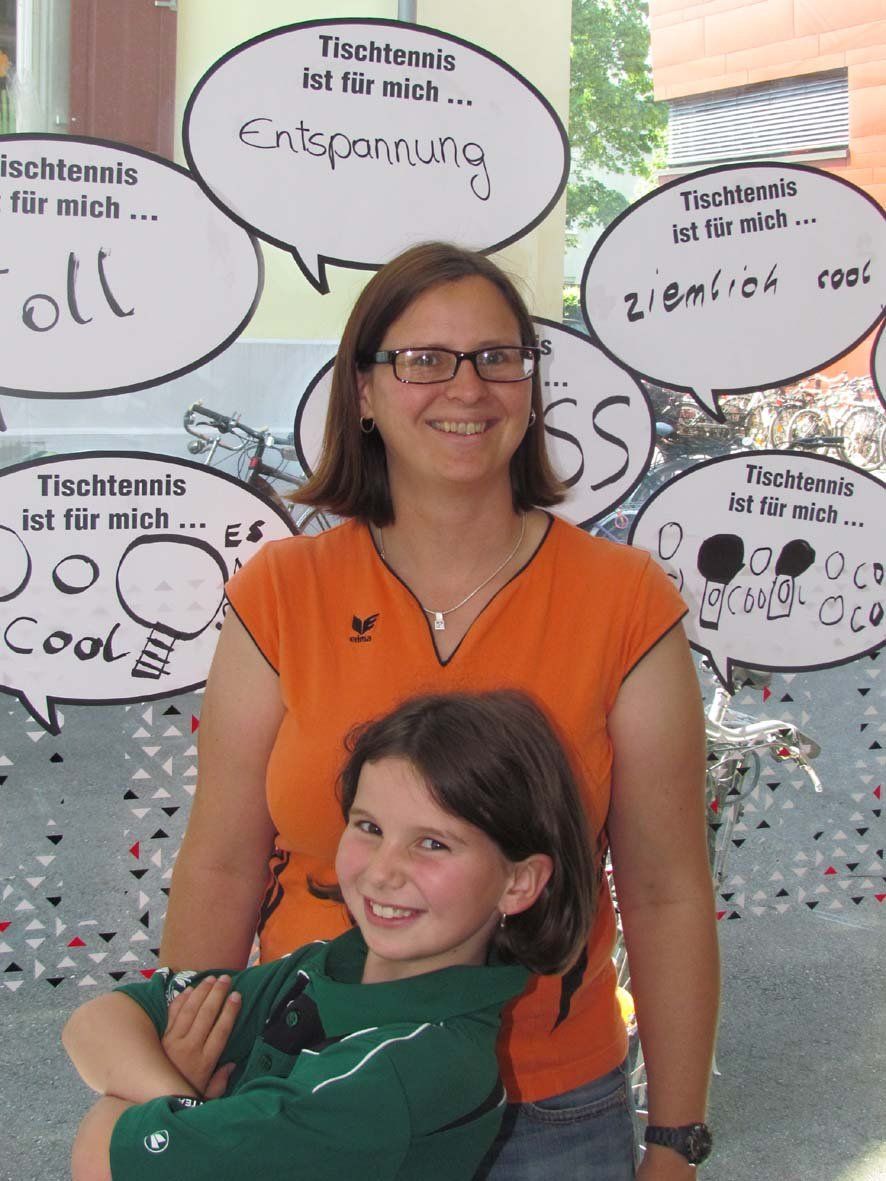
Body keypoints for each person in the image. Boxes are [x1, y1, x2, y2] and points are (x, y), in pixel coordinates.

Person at [158, 241, 719, 1179]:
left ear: (530, 388)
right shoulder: (283, 592)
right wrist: (184, 1064)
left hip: (548, 1110)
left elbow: (665, 889)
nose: (467, 387)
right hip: (310, 1086)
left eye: (497, 357)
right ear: (364, 392)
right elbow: (222, 860)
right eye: (424, 359)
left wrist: (675, 1139)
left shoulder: (624, 600)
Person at [63, 691, 598, 1181]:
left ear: (518, 883)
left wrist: (160, 1106)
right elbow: (96, 1022)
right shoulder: (325, 968)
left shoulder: (404, 1072)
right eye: (369, 828)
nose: (382, 871)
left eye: (433, 844)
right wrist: (180, 1099)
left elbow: (99, 1153)